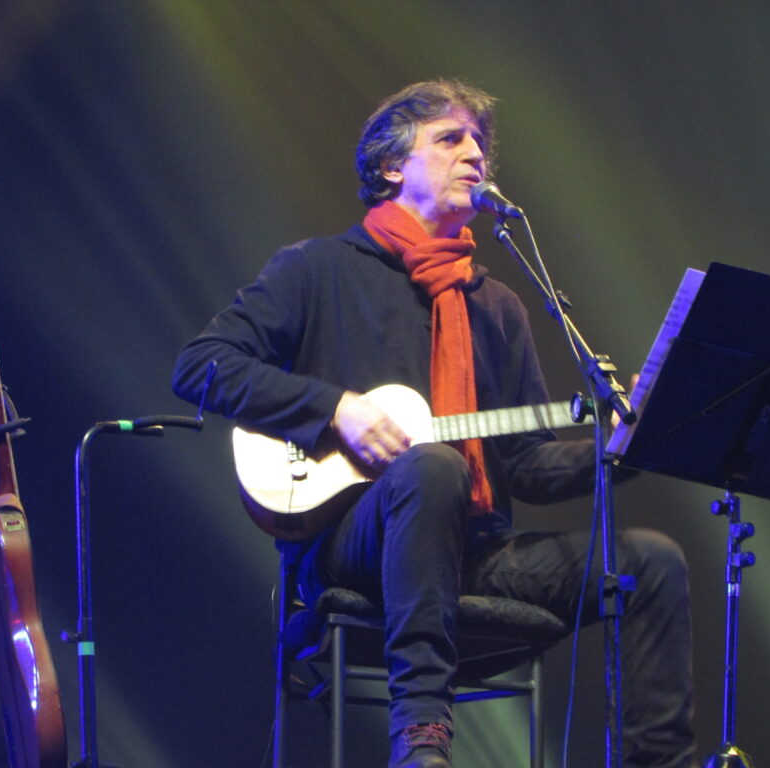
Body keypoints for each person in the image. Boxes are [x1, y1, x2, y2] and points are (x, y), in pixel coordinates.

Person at [172, 80, 696, 768]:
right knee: (432, 465)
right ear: (392, 166)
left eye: (480, 143)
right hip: (353, 544)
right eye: (450, 139)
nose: (474, 154)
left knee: (650, 561)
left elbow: (527, 464)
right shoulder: (318, 269)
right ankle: (422, 738)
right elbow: (201, 365)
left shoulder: (496, 305)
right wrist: (335, 410)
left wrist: (625, 446)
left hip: (476, 553)